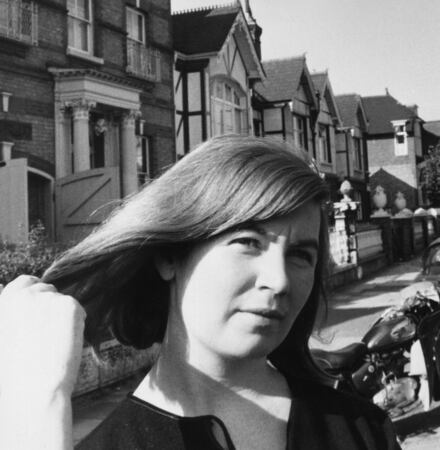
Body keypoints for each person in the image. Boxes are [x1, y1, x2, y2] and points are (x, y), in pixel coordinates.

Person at [0, 136, 401, 449]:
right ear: (170, 256)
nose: (278, 280)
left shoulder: (362, 431)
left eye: (299, 255)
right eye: (248, 242)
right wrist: (40, 404)